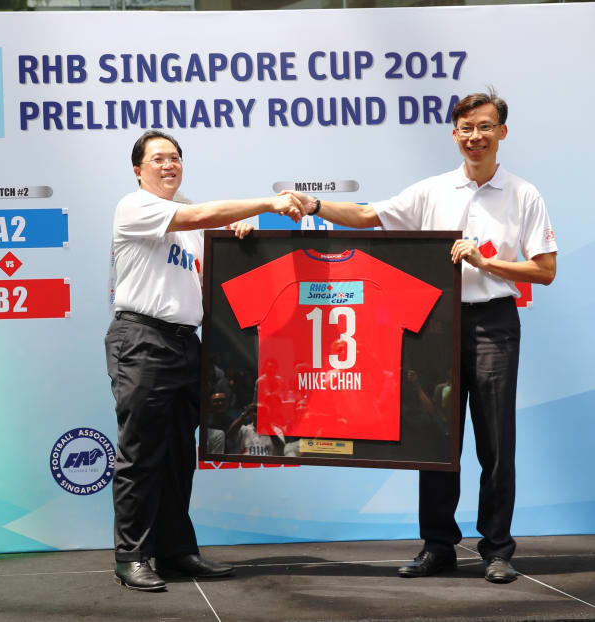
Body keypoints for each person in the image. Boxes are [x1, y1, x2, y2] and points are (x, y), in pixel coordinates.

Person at [288, 90, 557, 584]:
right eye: (465, 128)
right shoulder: (432, 190)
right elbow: (370, 216)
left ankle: (497, 549)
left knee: (497, 443)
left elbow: (544, 270)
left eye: (484, 126)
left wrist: (487, 262)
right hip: (436, 326)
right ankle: (438, 545)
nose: (475, 136)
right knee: (436, 438)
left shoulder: (524, 194)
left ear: (501, 131)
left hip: (494, 323)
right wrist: (317, 204)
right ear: (454, 134)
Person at [105, 129, 305, 591]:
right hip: (141, 338)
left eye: (175, 157)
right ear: (138, 170)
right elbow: (196, 215)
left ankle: (175, 549)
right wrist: (264, 205)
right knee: (140, 454)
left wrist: (237, 234)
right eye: (157, 159)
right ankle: (132, 554)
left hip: (183, 343)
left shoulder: (189, 226)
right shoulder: (134, 206)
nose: (168, 165)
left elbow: (205, 242)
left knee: (179, 455)